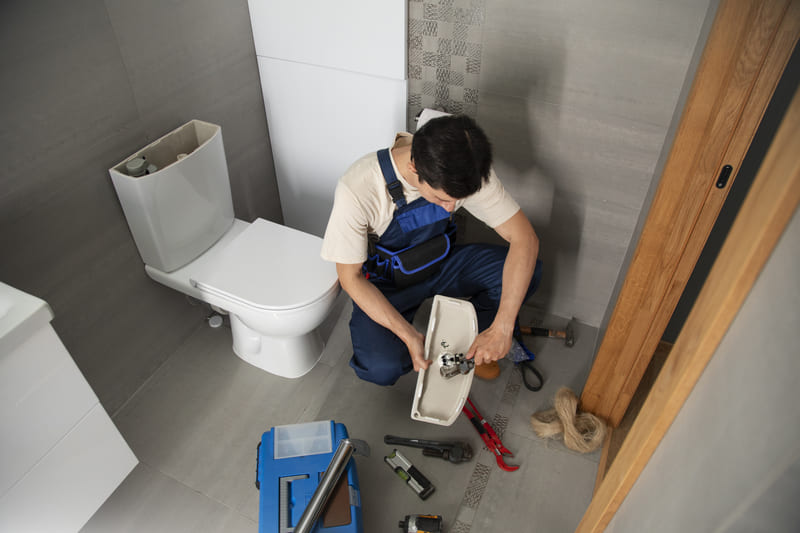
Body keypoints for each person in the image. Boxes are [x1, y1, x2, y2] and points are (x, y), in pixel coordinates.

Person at [321, 114, 542, 386]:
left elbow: (525, 239)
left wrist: (503, 326)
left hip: (442, 263)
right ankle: (429, 350)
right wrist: (408, 334)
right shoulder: (359, 188)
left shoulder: (467, 162)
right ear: (414, 168)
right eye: (442, 198)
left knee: (528, 272)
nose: (451, 207)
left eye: (458, 200)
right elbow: (349, 278)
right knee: (381, 367)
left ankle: (470, 348)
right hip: (389, 283)